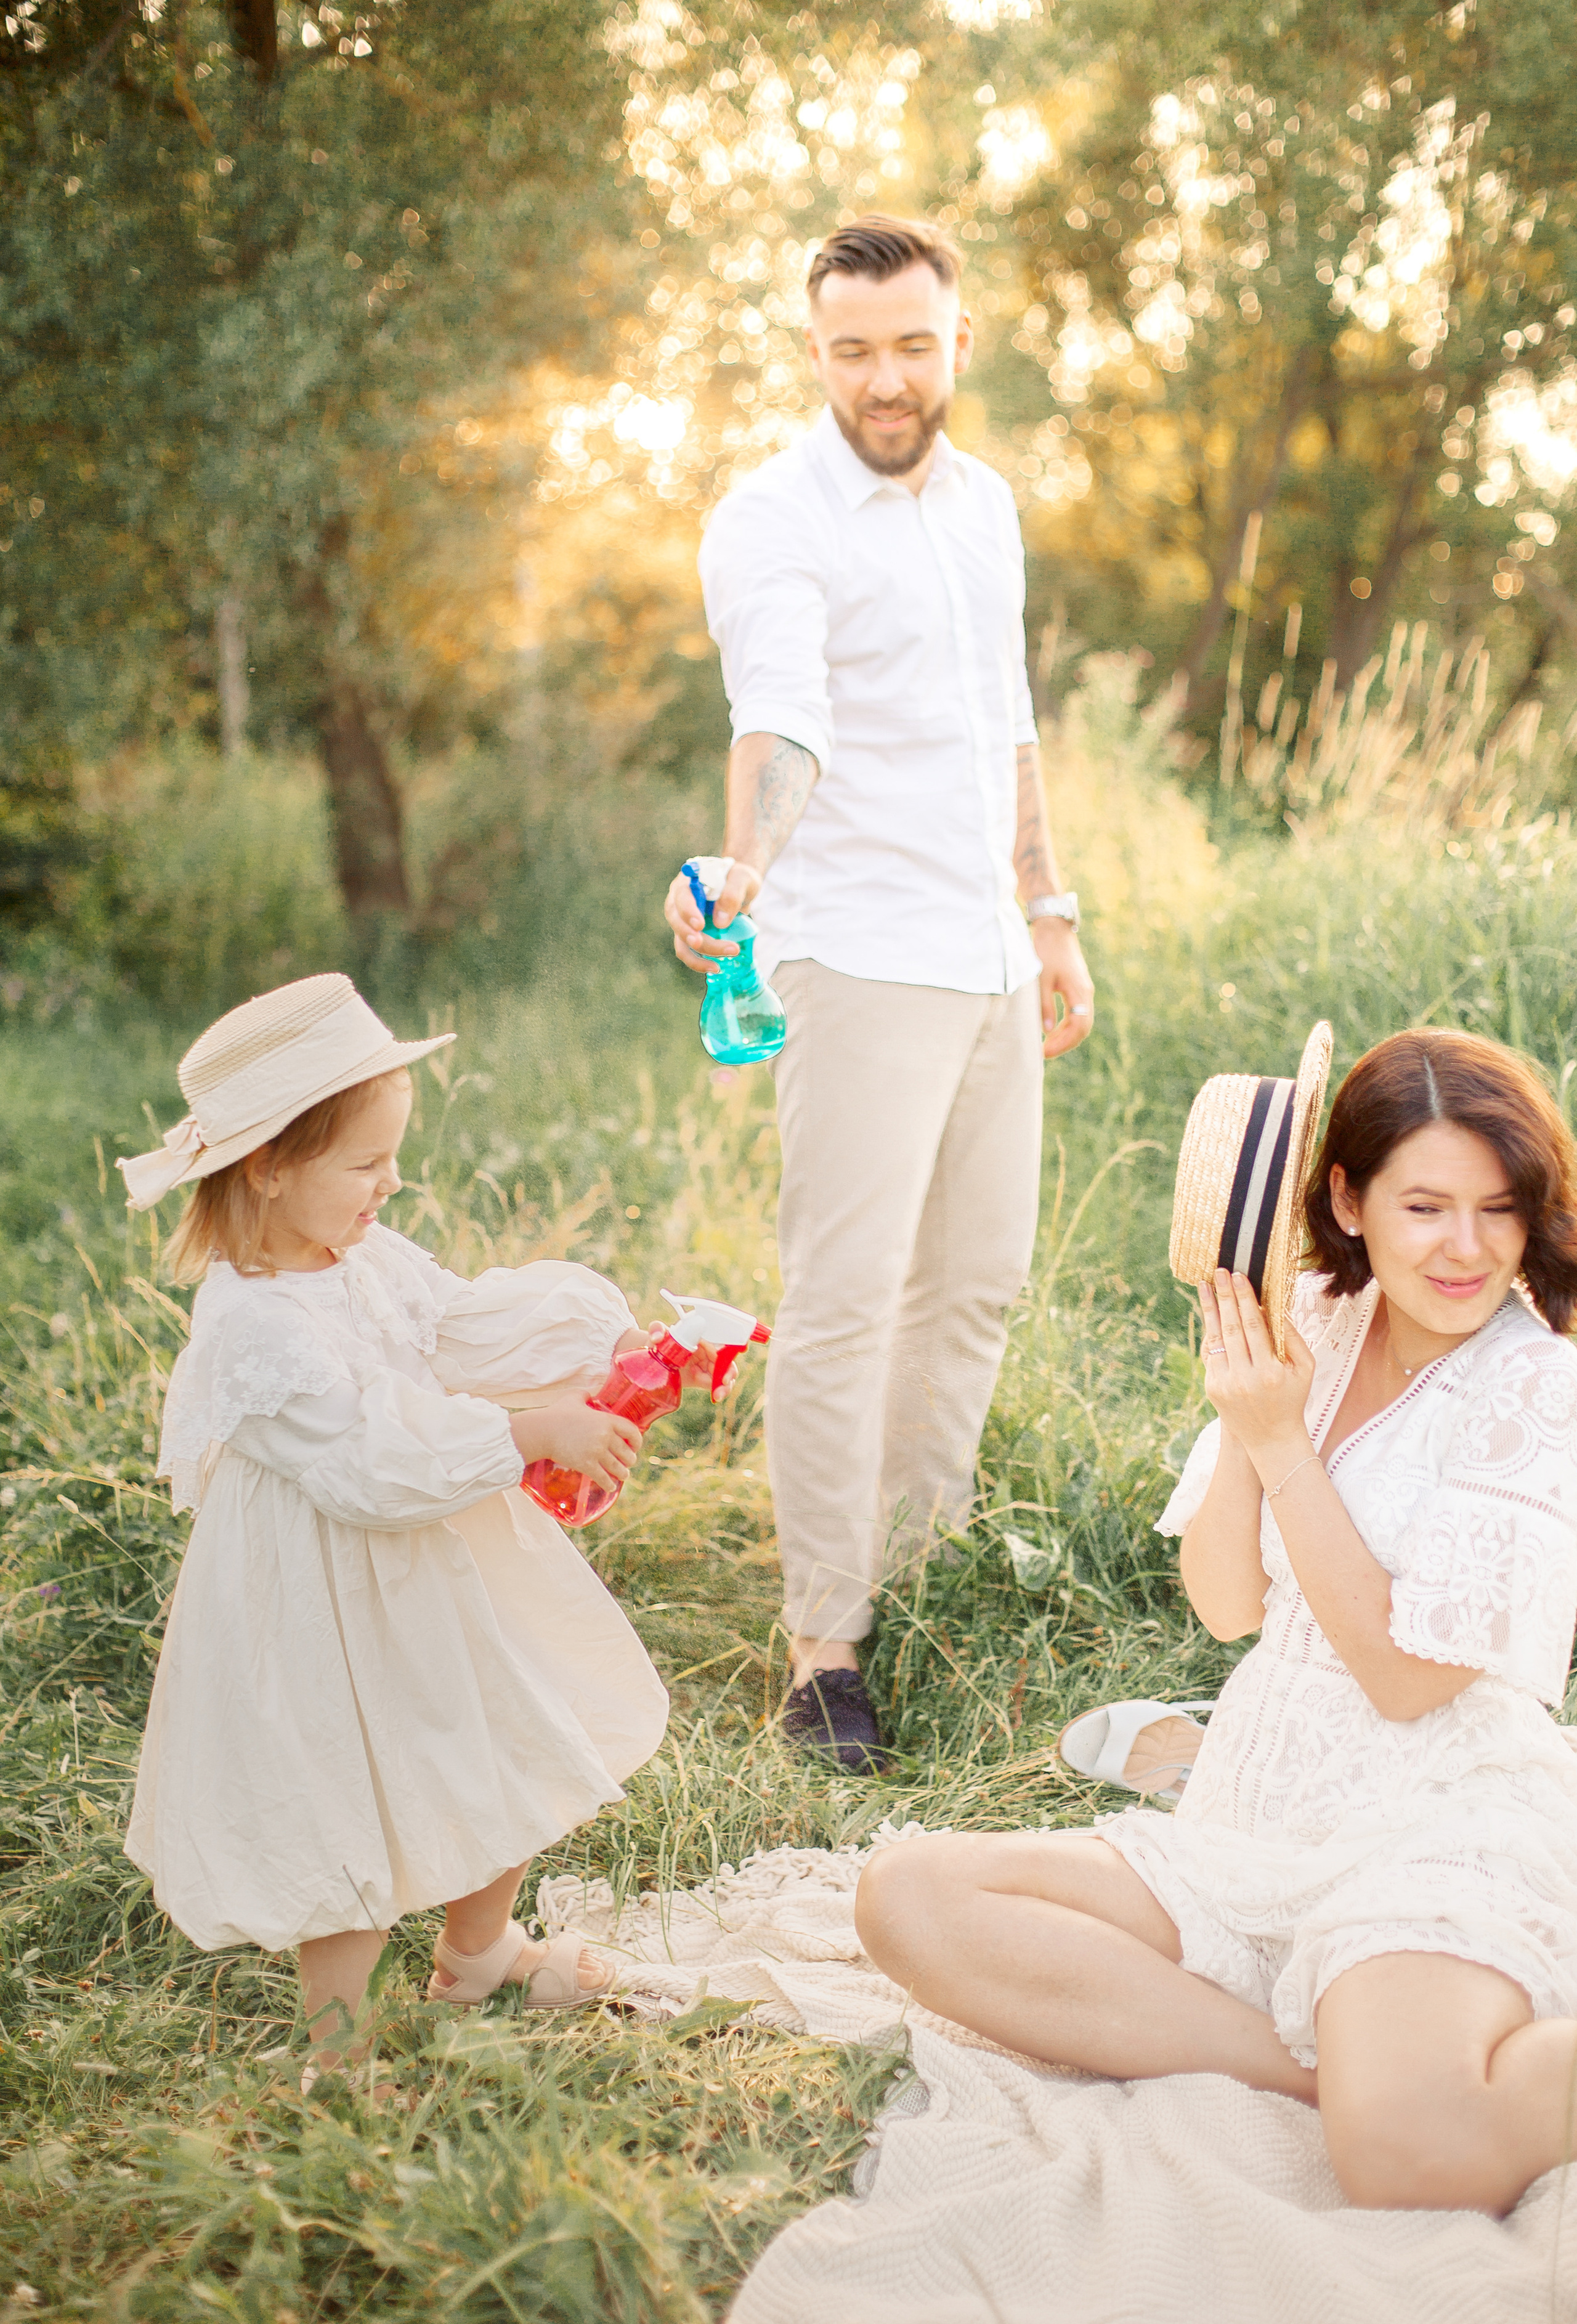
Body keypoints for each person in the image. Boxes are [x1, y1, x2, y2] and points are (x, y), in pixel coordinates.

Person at [856, 1028, 1577, 2215]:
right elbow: (1228, 1606)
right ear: (1345, 1201)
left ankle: (1374, 2075)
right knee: (909, 1895)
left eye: (1498, 1210)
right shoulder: (1317, 1320)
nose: (1467, 1248)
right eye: (1426, 1207)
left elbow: (1409, 1682)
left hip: (1434, 1819)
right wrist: (1252, 1420)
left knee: (1410, 2160)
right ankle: (1306, 2076)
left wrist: (1282, 1441)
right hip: (1252, 1809)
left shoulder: (1537, 1384)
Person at [120, 973, 725, 2082]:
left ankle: (478, 1952)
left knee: (508, 1735)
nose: (391, 1183)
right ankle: (337, 2050)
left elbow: (452, 1323)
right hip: (320, 1595)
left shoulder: (361, 1254)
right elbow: (366, 1465)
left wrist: (597, 1349)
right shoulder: (253, 1323)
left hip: (431, 1565)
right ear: (269, 1167)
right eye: (367, 1164)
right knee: (341, 1804)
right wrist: (528, 1434)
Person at [664, 214, 1095, 1769]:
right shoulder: (770, 520)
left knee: (972, 1283)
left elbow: (1006, 725)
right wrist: (743, 867)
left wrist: (1046, 911)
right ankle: (823, 1650)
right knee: (847, 1303)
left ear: (955, 341)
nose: (885, 379)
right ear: (815, 352)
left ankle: (923, 1583)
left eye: (911, 346)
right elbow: (781, 716)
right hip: (854, 954)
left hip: (986, 952)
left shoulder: (985, 507)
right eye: (852, 351)